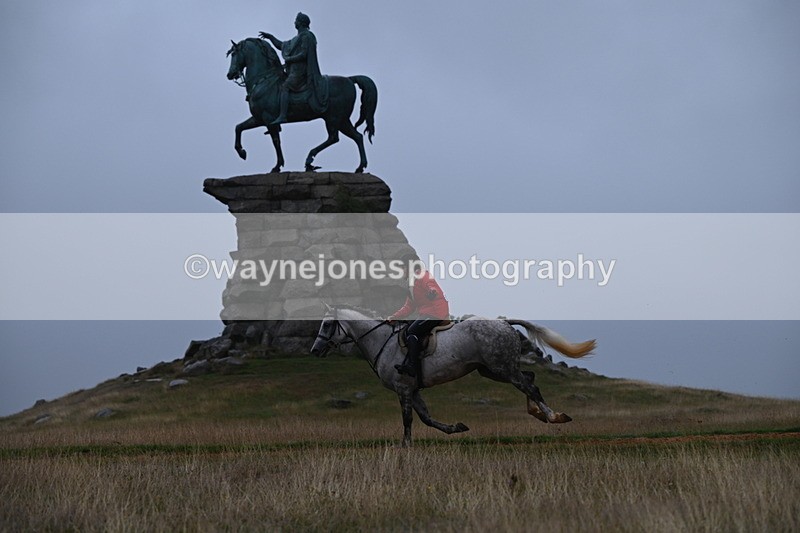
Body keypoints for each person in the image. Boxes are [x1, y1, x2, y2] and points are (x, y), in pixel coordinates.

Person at [259, 12, 328, 125]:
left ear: (300, 23)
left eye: (296, 20)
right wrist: (270, 37)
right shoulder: (296, 38)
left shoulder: (307, 36)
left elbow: (304, 54)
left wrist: (290, 59)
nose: (294, 22)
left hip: (301, 71)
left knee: (285, 87)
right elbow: (282, 46)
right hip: (293, 71)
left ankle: (283, 116)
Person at [388, 254, 450, 378]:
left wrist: (432, 291)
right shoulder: (411, 284)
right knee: (406, 330)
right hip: (426, 313)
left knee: (412, 331)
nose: (402, 271)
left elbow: (431, 285)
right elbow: (408, 307)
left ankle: (412, 366)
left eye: (403, 268)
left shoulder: (423, 275)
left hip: (436, 313)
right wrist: (393, 317)